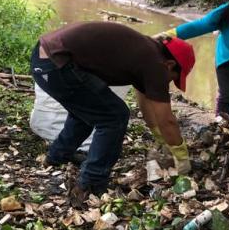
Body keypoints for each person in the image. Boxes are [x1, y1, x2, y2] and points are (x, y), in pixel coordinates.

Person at [30, 21, 196, 206]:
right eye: (173, 78)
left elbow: (147, 104)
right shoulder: (156, 64)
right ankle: (91, 182)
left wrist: (159, 136)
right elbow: (168, 120)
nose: (168, 83)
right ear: (170, 64)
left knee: (88, 111)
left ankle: (56, 157)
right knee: (114, 117)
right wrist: (181, 155)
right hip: (55, 64)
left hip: (44, 57)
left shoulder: (148, 52)